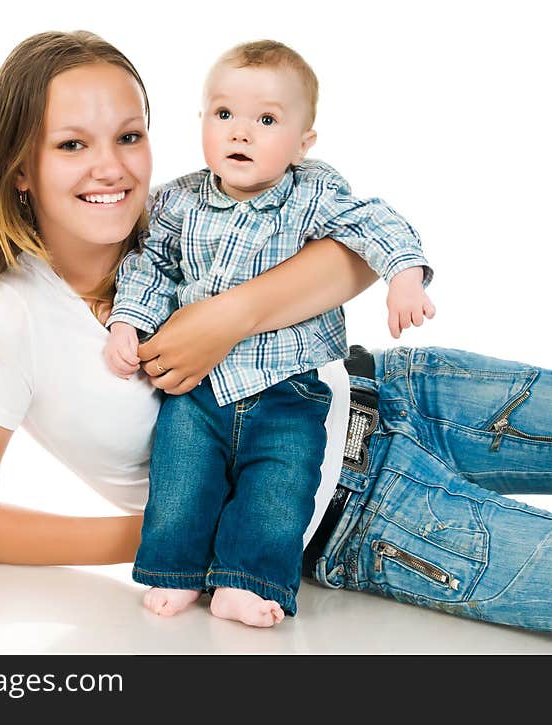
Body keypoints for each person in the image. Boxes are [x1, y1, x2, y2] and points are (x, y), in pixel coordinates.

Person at [0, 30, 552, 651]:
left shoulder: (174, 212)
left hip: (400, 391)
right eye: (70, 145)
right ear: (18, 167)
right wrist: (172, 533)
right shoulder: (2, 319)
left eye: (129, 136)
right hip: (359, 516)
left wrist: (225, 317)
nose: (112, 168)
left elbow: (351, 256)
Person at [103, 40, 434, 626]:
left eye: (267, 120)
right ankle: (175, 572)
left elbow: (373, 222)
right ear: (201, 120)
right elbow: (149, 265)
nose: (241, 133)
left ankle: (247, 582)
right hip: (198, 388)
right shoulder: (177, 202)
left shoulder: (311, 194)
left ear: (303, 143)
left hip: (288, 387)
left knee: (278, 489)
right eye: (224, 114)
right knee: (181, 482)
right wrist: (129, 321)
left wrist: (403, 277)